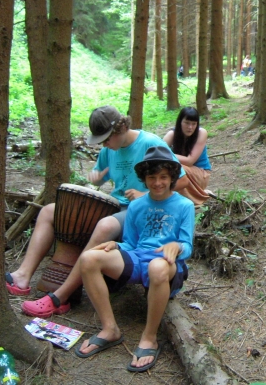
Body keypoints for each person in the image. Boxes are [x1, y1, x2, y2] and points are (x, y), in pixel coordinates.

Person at [7, 106, 188, 318]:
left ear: (121, 128)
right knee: (48, 211)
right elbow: (100, 175)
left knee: (105, 225)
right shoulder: (108, 151)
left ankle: (60, 296)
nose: (104, 144)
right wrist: (97, 178)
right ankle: (22, 276)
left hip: (140, 210)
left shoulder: (150, 143)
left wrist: (145, 194)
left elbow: (182, 180)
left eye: (106, 139)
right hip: (113, 205)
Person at [74, 146, 194, 373]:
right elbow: (131, 242)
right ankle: (110, 329)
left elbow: (187, 246)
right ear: (144, 178)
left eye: (163, 177)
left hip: (167, 264)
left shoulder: (184, 205)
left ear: (171, 178)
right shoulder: (136, 205)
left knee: (157, 267)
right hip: (138, 259)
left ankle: (149, 338)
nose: (157, 183)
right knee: (89, 258)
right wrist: (117, 245)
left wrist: (176, 246)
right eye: (152, 177)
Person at [163, 107, 212, 206]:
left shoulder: (201, 133)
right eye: (187, 123)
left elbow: (190, 161)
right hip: (180, 171)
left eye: (194, 124)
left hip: (201, 173)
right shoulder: (172, 134)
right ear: (180, 122)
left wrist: (167, 155)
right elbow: (158, 152)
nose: (190, 127)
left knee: (175, 168)